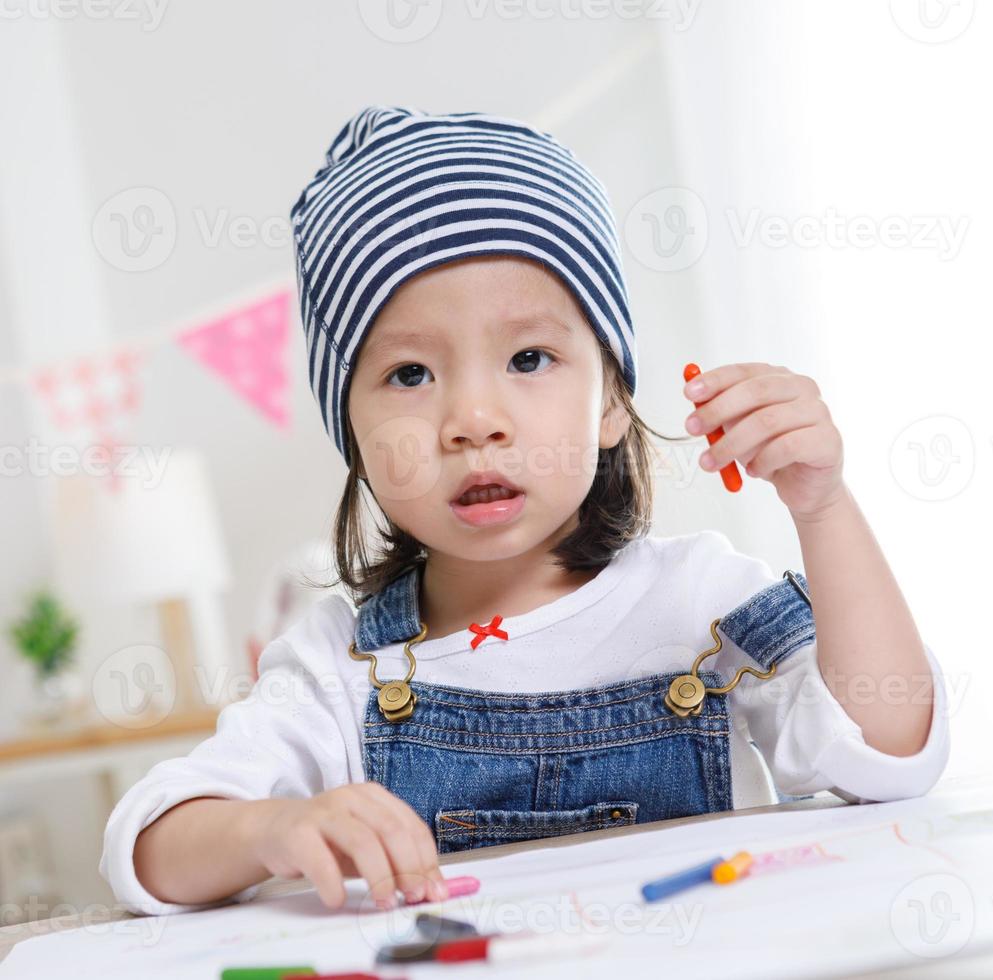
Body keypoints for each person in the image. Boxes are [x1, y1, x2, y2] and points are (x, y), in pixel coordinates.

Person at [100, 106, 949, 918]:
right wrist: (270, 827)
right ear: (351, 436)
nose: (474, 419)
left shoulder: (703, 603)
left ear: (611, 402)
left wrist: (823, 505)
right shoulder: (342, 668)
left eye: (529, 357)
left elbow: (890, 754)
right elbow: (149, 850)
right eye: (409, 375)